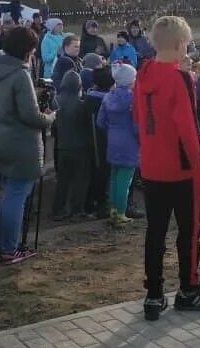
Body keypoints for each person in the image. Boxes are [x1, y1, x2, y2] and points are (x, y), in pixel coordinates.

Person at [134, 16, 200, 321]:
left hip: (151, 164)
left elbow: (140, 116)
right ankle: (189, 288)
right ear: (178, 44)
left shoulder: (144, 72)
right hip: (181, 168)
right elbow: (188, 128)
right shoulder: (179, 78)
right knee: (189, 232)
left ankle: (154, 294)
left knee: (155, 232)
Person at [0, 27, 55, 263]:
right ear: (27, 50)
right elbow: (30, 116)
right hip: (20, 143)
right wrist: (50, 117)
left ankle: (6, 245)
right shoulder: (20, 74)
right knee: (17, 195)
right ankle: (9, 249)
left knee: (9, 194)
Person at [97, 63, 139, 226]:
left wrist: (112, 130)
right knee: (125, 180)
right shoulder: (133, 98)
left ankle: (113, 209)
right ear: (129, 80)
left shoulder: (108, 96)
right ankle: (120, 213)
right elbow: (137, 124)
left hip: (113, 139)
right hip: (129, 141)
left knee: (114, 177)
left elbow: (100, 121)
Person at [51, 71, 93, 221]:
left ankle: (58, 209)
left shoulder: (56, 102)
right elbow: (89, 126)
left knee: (62, 180)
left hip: (62, 147)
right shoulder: (82, 104)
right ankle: (77, 210)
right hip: (80, 147)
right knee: (80, 180)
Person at [84, 65, 115, 217]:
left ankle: (93, 203)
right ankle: (98, 205)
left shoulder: (89, 97)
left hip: (92, 141)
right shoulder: (102, 100)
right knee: (100, 173)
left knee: (95, 173)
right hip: (101, 141)